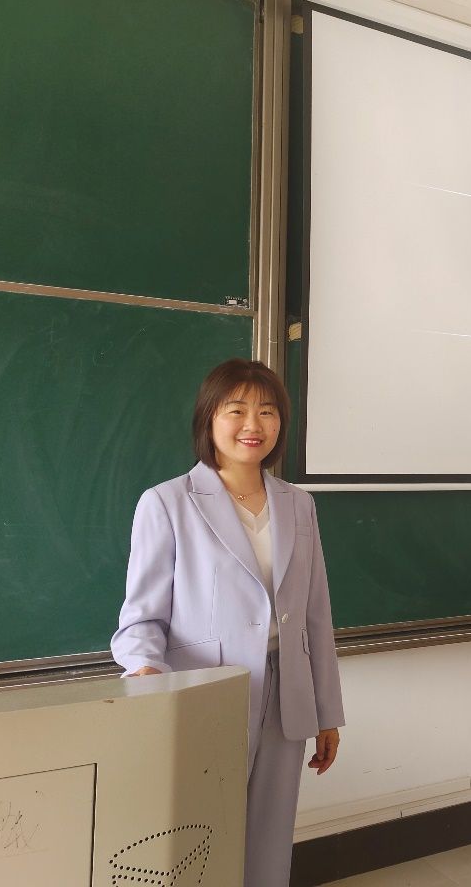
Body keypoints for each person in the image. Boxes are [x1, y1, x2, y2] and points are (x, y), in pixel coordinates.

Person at [111, 358, 343, 887]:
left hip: (287, 695)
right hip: (205, 694)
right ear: (208, 419)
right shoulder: (167, 502)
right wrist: (147, 675)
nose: (252, 425)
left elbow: (315, 615)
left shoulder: (299, 505)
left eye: (267, 411)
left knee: (269, 839)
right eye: (236, 410)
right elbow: (141, 618)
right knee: (201, 837)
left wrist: (327, 710)